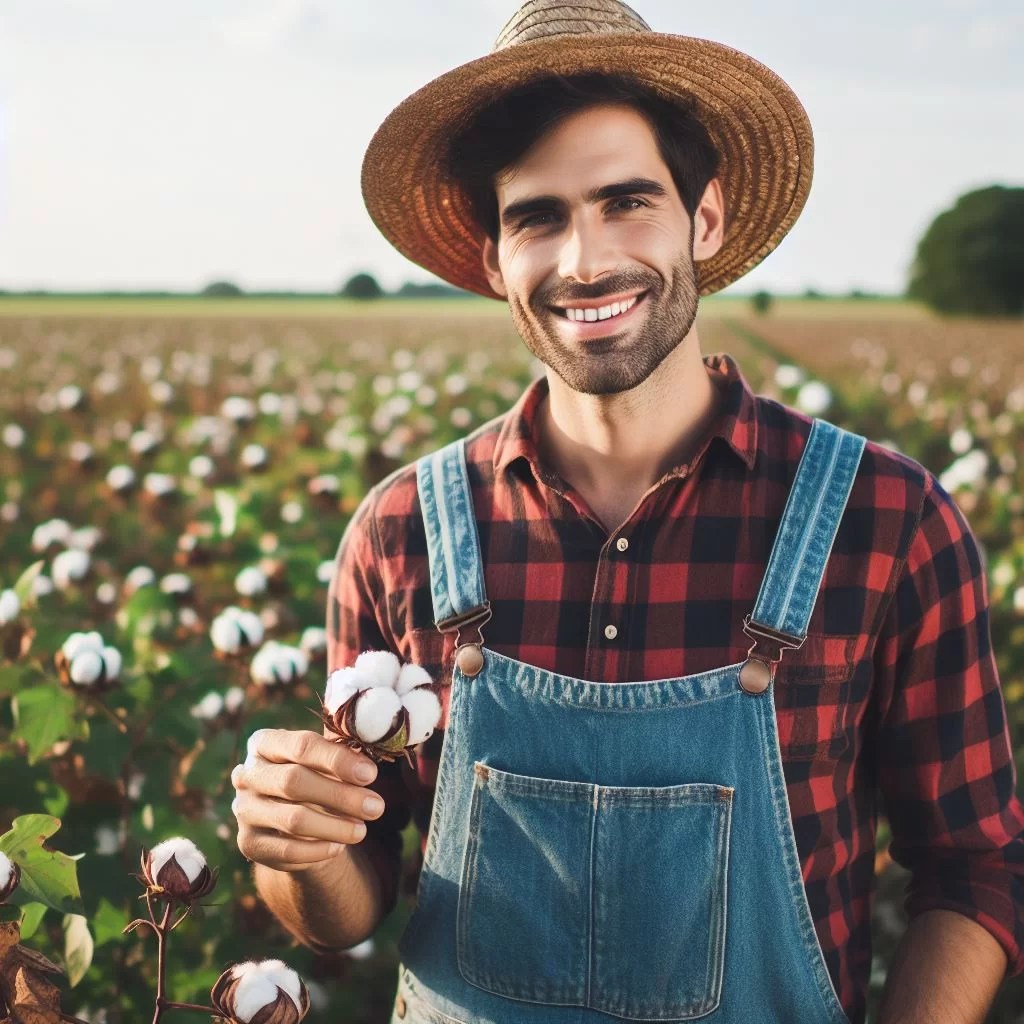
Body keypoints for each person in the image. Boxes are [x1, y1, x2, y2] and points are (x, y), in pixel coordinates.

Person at [229, 2, 1024, 1022]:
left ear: (705, 219)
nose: (584, 261)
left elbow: (973, 864)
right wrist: (302, 843)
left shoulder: (887, 519)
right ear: (490, 260)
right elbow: (344, 909)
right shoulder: (400, 530)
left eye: (625, 201)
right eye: (538, 217)